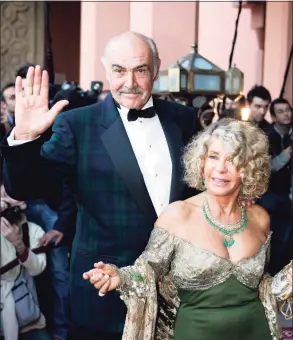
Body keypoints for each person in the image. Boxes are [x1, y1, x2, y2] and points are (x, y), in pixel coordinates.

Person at [0, 32, 201, 340]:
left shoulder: (184, 119)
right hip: (102, 290)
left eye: (141, 69)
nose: (129, 81)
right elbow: (26, 188)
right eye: (119, 70)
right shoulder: (77, 124)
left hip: (174, 291)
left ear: (156, 69)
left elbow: (195, 194)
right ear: (107, 70)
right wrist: (24, 138)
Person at [84, 119, 293, 340]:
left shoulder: (260, 218)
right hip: (195, 333)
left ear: (248, 168)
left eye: (233, 160)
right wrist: (120, 277)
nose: (220, 168)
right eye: (213, 156)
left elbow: (264, 285)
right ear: (201, 162)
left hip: (256, 331)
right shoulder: (178, 215)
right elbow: (147, 271)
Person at [0, 184, 51, 340]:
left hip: (27, 315)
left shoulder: (34, 230)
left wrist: (19, 244)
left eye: (10, 196)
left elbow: (37, 269)